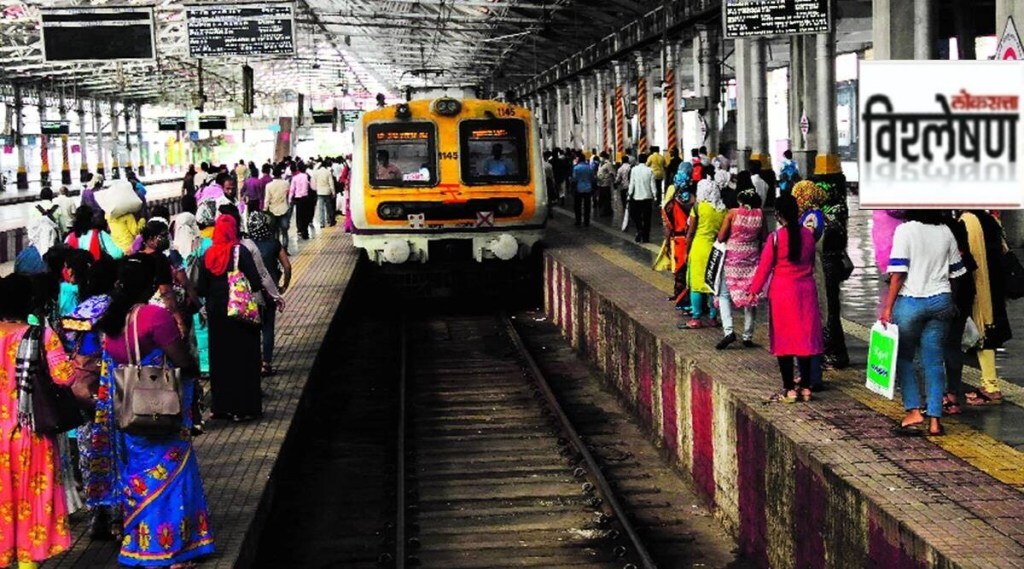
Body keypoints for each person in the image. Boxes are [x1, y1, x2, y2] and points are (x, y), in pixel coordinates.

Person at [95, 256, 216, 566]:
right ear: (149, 285)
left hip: (129, 411)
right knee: (172, 475)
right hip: (162, 409)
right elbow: (183, 360)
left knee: (138, 473)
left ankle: (139, 543)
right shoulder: (154, 317)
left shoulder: (110, 321)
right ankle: (173, 550)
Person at [0, 274, 76, 567]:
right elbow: (64, 377)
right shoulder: (40, 336)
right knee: (31, 507)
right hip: (31, 436)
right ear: (29, 302)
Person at [880, 210, 965, 436]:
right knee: (934, 361)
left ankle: (914, 411)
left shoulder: (905, 230)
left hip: (911, 302)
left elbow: (898, 274)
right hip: (941, 301)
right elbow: (957, 273)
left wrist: (887, 308)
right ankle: (935, 420)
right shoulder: (946, 231)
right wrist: (951, 302)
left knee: (904, 357)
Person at [62, 257, 119, 540]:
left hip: (81, 388)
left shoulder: (80, 308)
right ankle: (118, 515)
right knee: (116, 449)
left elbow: (68, 342)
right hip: (109, 385)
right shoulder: (115, 307)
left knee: (88, 449)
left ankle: (97, 514)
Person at [748, 194, 824, 403]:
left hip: (782, 293)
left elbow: (764, 268)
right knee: (805, 340)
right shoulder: (808, 236)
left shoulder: (775, 238)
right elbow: (810, 263)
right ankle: (806, 388)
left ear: (779, 214)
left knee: (784, 341)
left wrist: (752, 290)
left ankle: (790, 389)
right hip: (806, 292)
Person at [196, 215, 265, 422]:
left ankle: (221, 407)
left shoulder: (207, 255)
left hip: (217, 314)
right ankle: (244, 408)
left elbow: (201, 288)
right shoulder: (239, 251)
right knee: (244, 358)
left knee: (221, 359)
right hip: (239, 314)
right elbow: (255, 281)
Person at [960, 210, 1011, 406]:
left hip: (979, 287)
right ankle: (989, 383)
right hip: (995, 284)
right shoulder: (991, 220)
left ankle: (990, 387)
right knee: (989, 331)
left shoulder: (967, 221)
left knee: (982, 334)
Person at [714, 188, 765, 349]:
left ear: (741, 201)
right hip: (751, 259)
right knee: (750, 296)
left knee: (723, 294)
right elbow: (764, 237)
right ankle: (747, 336)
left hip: (732, 260)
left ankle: (728, 331)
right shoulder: (760, 214)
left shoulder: (732, 213)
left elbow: (721, 237)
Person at [681, 169, 727, 329]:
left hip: (699, 248)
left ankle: (696, 318)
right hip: (715, 250)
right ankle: (714, 318)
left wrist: (686, 251)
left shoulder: (698, 207)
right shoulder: (722, 210)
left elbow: (691, 231)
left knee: (696, 285)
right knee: (712, 285)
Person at [247, 211, 291, 377]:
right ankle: (266, 364)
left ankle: (254, 362)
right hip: (270, 293)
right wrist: (284, 286)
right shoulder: (274, 243)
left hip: (252, 293)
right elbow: (287, 266)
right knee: (267, 328)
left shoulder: (246, 245)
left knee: (253, 329)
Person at [661, 166, 694, 309]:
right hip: (692, 239)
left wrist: (667, 242)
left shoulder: (672, 204)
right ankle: (693, 299)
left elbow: (669, 226)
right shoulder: (695, 200)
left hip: (678, 240)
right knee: (691, 270)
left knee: (679, 270)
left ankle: (681, 298)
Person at [627, 153, 657, 243]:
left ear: (638, 160)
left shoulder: (634, 170)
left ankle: (639, 229)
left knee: (637, 216)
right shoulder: (650, 170)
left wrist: (629, 194)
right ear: (646, 160)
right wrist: (655, 196)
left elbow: (632, 183)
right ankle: (646, 237)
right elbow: (653, 184)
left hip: (637, 197)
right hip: (647, 197)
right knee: (647, 218)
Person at [264, 166, 292, 251]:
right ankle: (285, 248)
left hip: (273, 210)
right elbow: (288, 196)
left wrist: (265, 210)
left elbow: (267, 199)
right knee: (284, 231)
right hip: (284, 209)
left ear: (273, 174)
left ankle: (276, 249)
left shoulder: (268, 185)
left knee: (274, 231)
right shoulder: (286, 183)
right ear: (281, 174)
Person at [289, 163, 314, 240]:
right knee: (306, 215)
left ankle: (299, 230)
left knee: (299, 215)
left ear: (298, 169)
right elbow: (313, 187)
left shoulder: (295, 178)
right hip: (306, 198)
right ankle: (305, 232)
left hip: (298, 199)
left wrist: (289, 199)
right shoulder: (308, 176)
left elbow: (292, 190)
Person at [570, 154, 595, 227]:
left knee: (577, 206)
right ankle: (586, 221)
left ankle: (578, 221)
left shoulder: (576, 168)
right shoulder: (589, 168)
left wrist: (572, 189)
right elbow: (592, 178)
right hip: (588, 188)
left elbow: (574, 179)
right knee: (587, 206)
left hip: (578, 188)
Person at [312, 158, 335, 229]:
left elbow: (315, 180)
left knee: (321, 208)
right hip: (327, 191)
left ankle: (322, 223)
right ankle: (330, 221)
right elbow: (331, 183)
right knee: (328, 207)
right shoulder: (328, 172)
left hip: (320, 191)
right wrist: (333, 192)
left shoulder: (317, 172)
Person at [595, 153, 616, 218]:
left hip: (606, 183)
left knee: (606, 198)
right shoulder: (600, 163)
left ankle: (606, 211)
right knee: (601, 198)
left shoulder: (608, 164)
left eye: (601, 157)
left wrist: (613, 181)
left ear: (604, 157)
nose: (600, 158)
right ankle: (605, 210)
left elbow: (612, 173)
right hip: (600, 183)